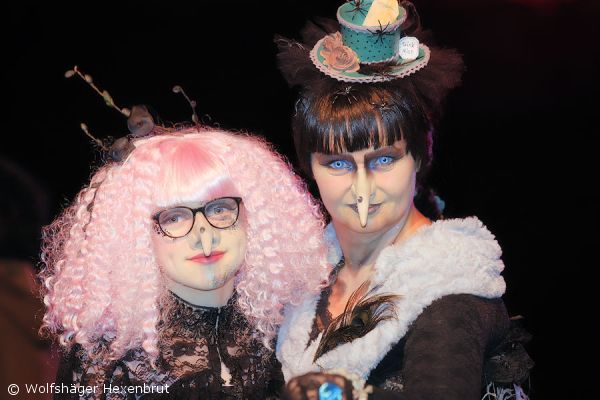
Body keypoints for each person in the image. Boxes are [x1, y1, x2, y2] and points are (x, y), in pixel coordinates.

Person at [274, 1, 533, 399]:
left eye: (383, 160)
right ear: (309, 167)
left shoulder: (450, 288)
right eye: (339, 163)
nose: (362, 187)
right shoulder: (301, 277)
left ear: (419, 157)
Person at [39, 121, 330, 399]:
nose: (204, 236)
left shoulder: (290, 330)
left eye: (220, 209)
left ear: (255, 216)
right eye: (174, 218)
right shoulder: (107, 360)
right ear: (137, 236)